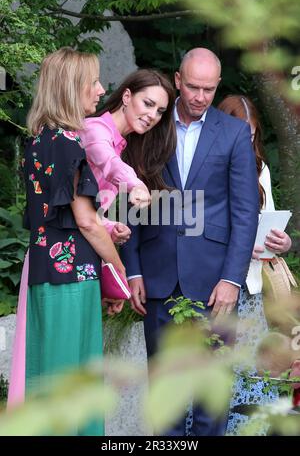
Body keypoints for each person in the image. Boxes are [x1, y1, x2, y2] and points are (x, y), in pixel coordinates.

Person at [121, 48, 260, 436]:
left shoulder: (232, 133)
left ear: (218, 86)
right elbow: (126, 200)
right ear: (178, 81)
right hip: (158, 277)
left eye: (209, 89)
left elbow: (245, 212)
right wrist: (131, 268)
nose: (200, 97)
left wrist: (232, 279)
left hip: (216, 284)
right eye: (193, 87)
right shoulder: (150, 125)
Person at [8, 47, 125, 436]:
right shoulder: (69, 145)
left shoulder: (39, 141)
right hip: (72, 279)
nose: (100, 89)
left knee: (47, 376)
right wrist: (118, 269)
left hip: (44, 274)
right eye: (92, 82)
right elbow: (87, 222)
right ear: (72, 89)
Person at [217, 94, 292, 435]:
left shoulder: (259, 167)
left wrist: (282, 243)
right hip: (217, 286)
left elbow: (271, 225)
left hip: (251, 289)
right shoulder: (207, 166)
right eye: (238, 134)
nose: (244, 143)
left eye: (250, 136)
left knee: (253, 377)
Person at [79, 68, 176, 243]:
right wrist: (136, 185)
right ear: (126, 97)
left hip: (81, 246)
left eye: (160, 111)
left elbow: (83, 210)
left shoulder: (122, 146)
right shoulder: (95, 129)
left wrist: (110, 228)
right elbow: (110, 163)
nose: (153, 115)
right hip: (59, 249)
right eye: (148, 103)